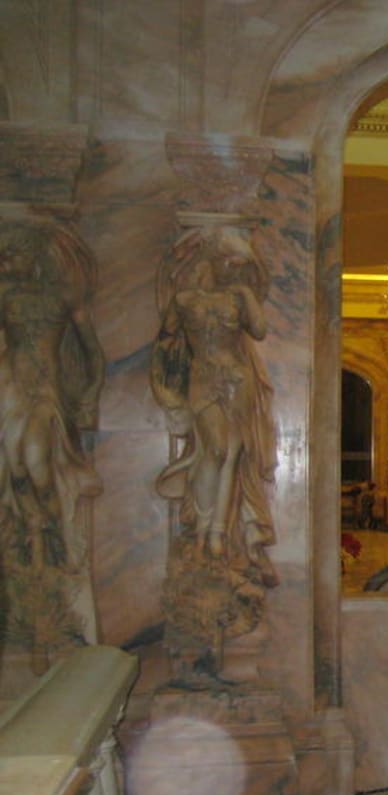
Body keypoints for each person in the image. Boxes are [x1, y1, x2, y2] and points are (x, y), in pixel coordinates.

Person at [151, 224, 278, 586]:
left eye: (240, 264)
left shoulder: (239, 297)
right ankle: (204, 525)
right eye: (231, 262)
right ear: (212, 260)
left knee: (234, 453)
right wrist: (166, 390)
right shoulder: (183, 300)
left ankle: (218, 534)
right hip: (203, 379)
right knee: (216, 449)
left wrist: (247, 293)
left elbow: (260, 330)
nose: (235, 270)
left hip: (238, 379)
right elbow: (165, 344)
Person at [0, 215, 106, 583]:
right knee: (15, 469)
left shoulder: (63, 295)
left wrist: (91, 392)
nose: (7, 264)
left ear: (34, 255)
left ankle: (57, 532)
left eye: (13, 256)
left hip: (46, 395)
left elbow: (92, 352)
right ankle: (36, 545)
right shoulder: (6, 295)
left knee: (38, 467)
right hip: (11, 392)